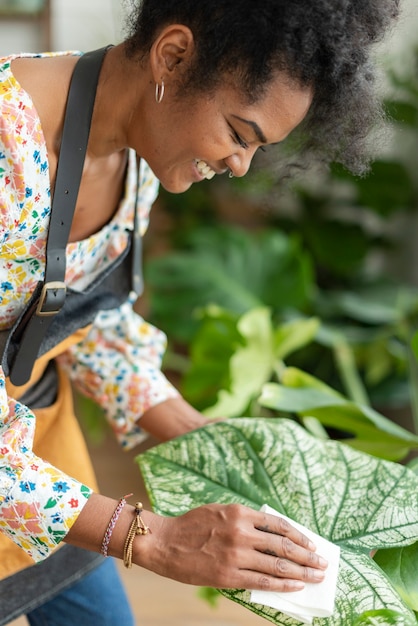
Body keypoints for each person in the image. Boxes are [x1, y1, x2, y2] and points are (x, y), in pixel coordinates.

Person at [0, 0, 400, 624]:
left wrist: (211, 443)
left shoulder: (137, 147)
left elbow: (90, 318)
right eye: (240, 135)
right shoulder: (7, 145)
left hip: (38, 449)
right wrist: (152, 537)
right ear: (174, 55)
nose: (239, 166)